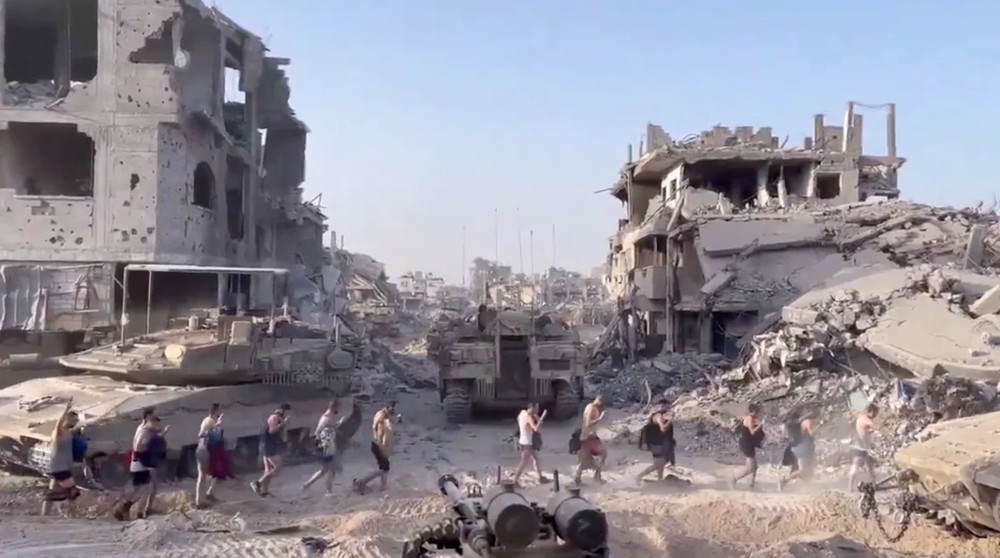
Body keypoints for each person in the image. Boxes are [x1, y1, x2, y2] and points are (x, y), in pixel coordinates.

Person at [114, 409, 169, 520]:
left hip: (141, 462)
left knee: (141, 488)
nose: (154, 420)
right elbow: (139, 446)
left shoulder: (145, 429)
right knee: (144, 489)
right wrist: (154, 440)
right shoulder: (144, 431)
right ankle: (135, 512)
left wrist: (159, 435)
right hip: (140, 463)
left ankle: (125, 508)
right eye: (152, 418)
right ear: (146, 418)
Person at [41, 399, 81, 516]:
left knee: (52, 494)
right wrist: (66, 410)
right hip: (60, 468)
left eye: (76, 420)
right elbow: (58, 423)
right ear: (67, 419)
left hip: (59, 467)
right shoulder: (59, 431)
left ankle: (45, 514)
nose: (75, 422)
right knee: (73, 492)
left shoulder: (68, 432)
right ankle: (71, 515)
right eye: (73, 419)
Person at [303, 401, 347, 495]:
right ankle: (328, 491)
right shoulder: (326, 418)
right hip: (328, 447)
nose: (339, 410)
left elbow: (331, 428)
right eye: (338, 408)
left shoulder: (329, 417)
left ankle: (307, 485)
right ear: (334, 408)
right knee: (331, 469)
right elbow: (318, 431)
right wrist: (321, 443)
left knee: (324, 470)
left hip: (329, 446)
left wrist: (339, 423)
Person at [354, 401, 397, 494]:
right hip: (378, 445)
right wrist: (382, 447)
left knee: (384, 467)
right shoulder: (382, 419)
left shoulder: (381, 416)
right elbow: (377, 428)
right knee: (384, 469)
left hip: (376, 444)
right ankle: (362, 482)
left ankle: (383, 486)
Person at [251, 403, 291, 497]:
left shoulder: (277, 418)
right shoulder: (274, 417)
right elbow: (272, 430)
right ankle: (258, 483)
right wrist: (283, 424)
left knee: (268, 470)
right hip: (268, 446)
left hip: (268, 445)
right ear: (282, 410)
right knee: (278, 468)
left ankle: (265, 491)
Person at [635, 400, 674, 484]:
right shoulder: (659, 417)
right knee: (657, 463)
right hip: (654, 442)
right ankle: (639, 476)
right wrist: (670, 421)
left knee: (662, 462)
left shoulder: (664, 417)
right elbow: (663, 429)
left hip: (659, 441)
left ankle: (660, 480)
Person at [778, 409, 818, 490]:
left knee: (807, 468)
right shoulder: (806, 422)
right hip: (803, 448)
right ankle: (785, 480)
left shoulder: (791, 424)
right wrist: (818, 427)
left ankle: (808, 487)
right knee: (803, 469)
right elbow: (812, 434)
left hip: (797, 447)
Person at [729, 402, 765, 489]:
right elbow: (752, 431)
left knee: (754, 467)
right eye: (756, 412)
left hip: (749, 444)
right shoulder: (749, 418)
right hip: (746, 444)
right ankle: (734, 478)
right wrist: (761, 425)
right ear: (752, 411)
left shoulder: (752, 418)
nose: (757, 414)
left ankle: (751, 484)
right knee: (750, 468)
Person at [573, 395, 607, 485]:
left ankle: (580, 477)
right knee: (602, 454)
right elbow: (588, 423)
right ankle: (595, 475)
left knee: (585, 459)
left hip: (589, 437)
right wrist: (599, 419)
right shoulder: (591, 408)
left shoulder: (592, 407)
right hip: (588, 438)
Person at [512, 403, 550, 486]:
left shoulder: (522, 413)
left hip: (522, 441)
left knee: (535, 459)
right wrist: (541, 418)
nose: (537, 410)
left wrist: (536, 416)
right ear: (533, 408)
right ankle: (514, 481)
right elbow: (536, 429)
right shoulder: (529, 417)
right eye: (536, 409)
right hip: (527, 443)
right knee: (523, 463)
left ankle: (540, 477)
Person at [194, 403, 223, 508]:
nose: (218, 416)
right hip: (204, 449)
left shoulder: (209, 420)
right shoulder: (209, 421)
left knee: (213, 473)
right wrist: (216, 425)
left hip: (206, 449)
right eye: (217, 414)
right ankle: (199, 500)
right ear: (214, 412)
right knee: (202, 475)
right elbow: (201, 434)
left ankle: (208, 494)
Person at [848, 403, 879, 492]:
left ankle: (850, 487)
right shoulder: (868, 421)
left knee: (859, 467)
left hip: (858, 446)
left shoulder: (860, 418)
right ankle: (874, 484)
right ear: (871, 412)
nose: (876, 415)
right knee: (869, 467)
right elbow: (872, 429)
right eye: (875, 413)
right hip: (863, 448)